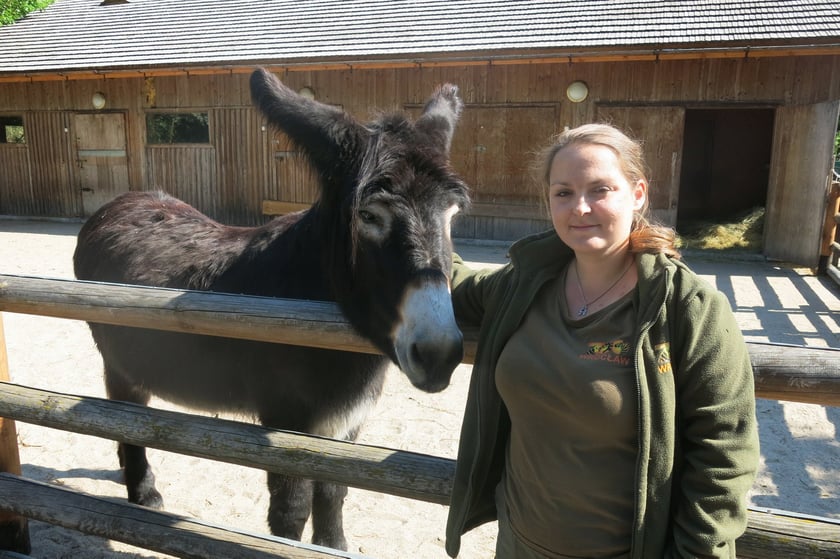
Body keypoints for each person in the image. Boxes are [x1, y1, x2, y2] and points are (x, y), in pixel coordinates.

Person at [445, 123, 759, 558]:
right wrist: (420, 225)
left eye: (600, 189)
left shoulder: (687, 307)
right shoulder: (523, 284)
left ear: (638, 195)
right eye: (563, 193)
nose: (580, 207)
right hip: (518, 544)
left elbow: (725, 455)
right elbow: (452, 282)